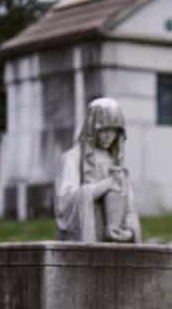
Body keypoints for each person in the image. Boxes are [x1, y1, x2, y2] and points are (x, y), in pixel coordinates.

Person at [55, 97, 141, 243]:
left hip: (113, 245)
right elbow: (65, 203)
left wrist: (129, 232)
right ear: (91, 128)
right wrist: (105, 185)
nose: (109, 135)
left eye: (114, 130)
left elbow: (129, 209)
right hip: (87, 241)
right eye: (104, 130)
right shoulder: (72, 158)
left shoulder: (116, 163)